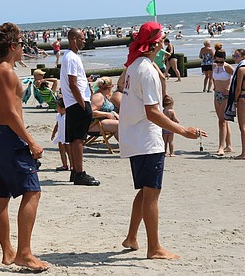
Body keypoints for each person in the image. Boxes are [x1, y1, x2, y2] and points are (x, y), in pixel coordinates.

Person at [119, 21, 204, 260]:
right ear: (155, 43)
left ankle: (132, 237)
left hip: (134, 137)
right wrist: (182, 130)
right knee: (152, 193)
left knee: (145, 191)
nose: (165, 42)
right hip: (146, 139)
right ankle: (154, 248)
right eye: (162, 38)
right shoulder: (145, 69)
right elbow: (153, 112)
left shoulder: (135, 65)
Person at [0, 22, 49, 272]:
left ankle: (8, 252)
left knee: (2, 196)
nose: (24, 48)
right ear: (12, 46)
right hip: (8, 135)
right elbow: (11, 114)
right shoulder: (6, 71)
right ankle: (24, 253)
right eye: (21, 44)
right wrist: (31, 141)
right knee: (32, 192)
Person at [59, 28, 99, 186]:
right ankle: (80, 173)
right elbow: (73, 83)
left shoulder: (71, 57)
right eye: (82, 38)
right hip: (77, 102)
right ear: (74, 39)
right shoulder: (70, 58)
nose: (84, 41)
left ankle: (75, 171)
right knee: (79, 139)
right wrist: (83, 103)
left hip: (74, 102)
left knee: (76, 138)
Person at [212, 50, 234, 156]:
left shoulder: (228, 67)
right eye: (218, 61)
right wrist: (214, 86)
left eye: (221, 62)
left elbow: (237, 77)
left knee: (222, 121)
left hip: (226, 95)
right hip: (217, 95)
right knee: (223, 121)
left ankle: (221, 147)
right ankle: (228, 145)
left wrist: (230, 89)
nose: (219, 63)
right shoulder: (214, 67)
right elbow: (214, 78)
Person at [89, 76, 119, 140]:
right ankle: (126, 146)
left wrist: (113, 113)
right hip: (94, 123)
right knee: (118, 125)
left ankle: (129, 144)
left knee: (125, 122)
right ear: (109, 87)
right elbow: (91, 112)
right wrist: (106, 114)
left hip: (103, 120)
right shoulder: (98, 97)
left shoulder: (104, 95)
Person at [50, 98, 70, 172]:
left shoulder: (68, 116)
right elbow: (57, 124)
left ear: (63, 108)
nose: (56, 108)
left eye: (57, 107)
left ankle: (72, 165)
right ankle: (64, 165)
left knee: (69, 152)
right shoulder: (58, 115)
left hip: (67, 136)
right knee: (62, 151)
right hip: (60, 136)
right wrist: (53, 133)